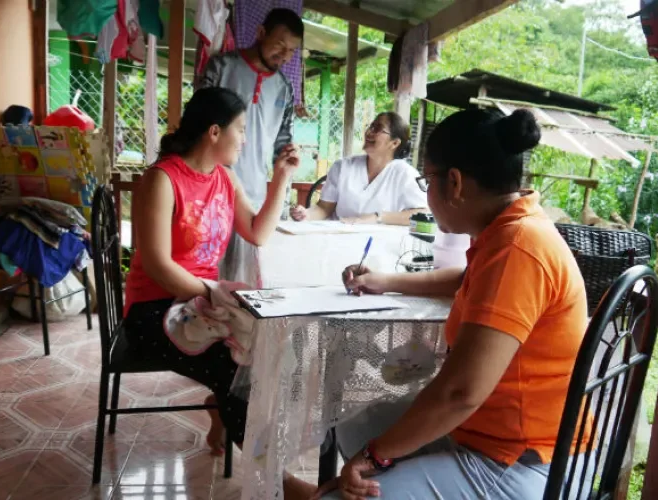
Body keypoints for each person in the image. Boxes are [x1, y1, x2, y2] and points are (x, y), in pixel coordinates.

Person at [316, 108, 592, 499]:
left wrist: (374, 456)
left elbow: (460, 393)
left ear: (455, 182)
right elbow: (466, 280)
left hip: (521, 461)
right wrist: (386, 281)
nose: (427, 192)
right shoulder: (511, 226)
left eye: (427, 179)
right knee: (353, 420)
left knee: (344, 488)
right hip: (498, 433)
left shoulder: (517, 247)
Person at [122, 87, 314, 499]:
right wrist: (220, 295)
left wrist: (282, 178)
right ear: (214, 132)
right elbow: (157, 265)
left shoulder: (224, 179)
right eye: (240, 130)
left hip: (199, 305)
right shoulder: (162, 179)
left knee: (273, 348)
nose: (244, 140)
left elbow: (258, 233)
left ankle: (224, 410)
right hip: (153, 311)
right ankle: (279, 480)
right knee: (233, 369)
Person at [197, 8, 304, 284]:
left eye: (291, 51)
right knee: (207, 285)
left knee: (244, 289)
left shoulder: (284, 88)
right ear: (260, 33)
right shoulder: (220, 68)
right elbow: (197, 128)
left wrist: (287, 165)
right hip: (211, 198)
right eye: (279, 46)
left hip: (255, 202)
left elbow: (282, 143)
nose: (284, 56)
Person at [289, 112, 428, 225]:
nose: (369, 132)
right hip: (337, 241)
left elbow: (424, 213)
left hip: (380, 246)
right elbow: (324, 208)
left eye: (378, 129)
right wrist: (306, 214)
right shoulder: (343, 166)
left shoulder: (405, 174)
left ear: (394, 143)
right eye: (371, 126)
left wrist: (378, 217)